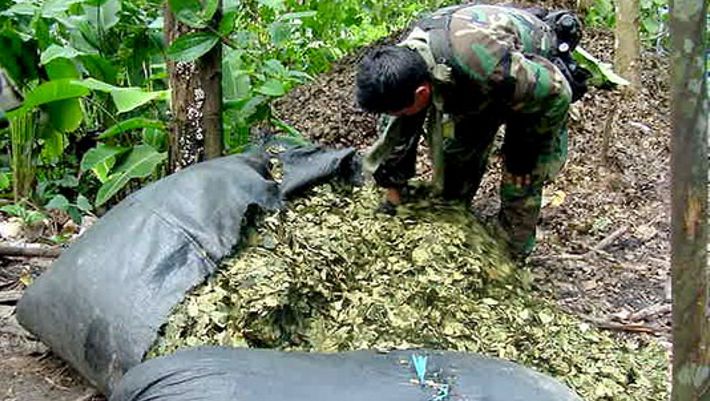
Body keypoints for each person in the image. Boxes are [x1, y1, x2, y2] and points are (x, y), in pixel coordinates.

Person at [356, 3, 589, 259]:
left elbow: (557, 93)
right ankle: (454, 216)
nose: (395, 118)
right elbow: (396, 133)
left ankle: (510, 253)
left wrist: (527, 150)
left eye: (400, 111)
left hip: (534, 84)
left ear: (423, 93)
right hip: (470, 81)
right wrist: (392, 191)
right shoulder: (402, 64)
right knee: (457, 154)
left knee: (520, 171)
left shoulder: (487, 67)